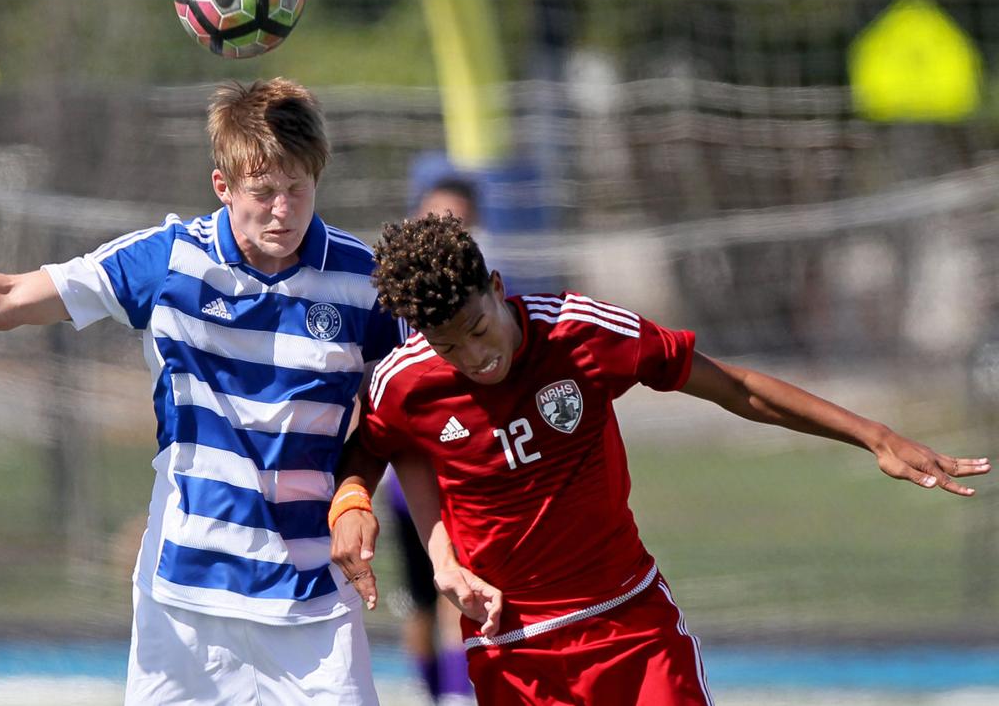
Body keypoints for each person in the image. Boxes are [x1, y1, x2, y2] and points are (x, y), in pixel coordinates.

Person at [0, 78, 412, 706]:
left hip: (312, 604)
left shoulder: (362, 282)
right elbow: (7, 299)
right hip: (185, 602)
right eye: (263, 194)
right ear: (223, 186)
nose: (283, 211)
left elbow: (407, 407)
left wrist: (357, 495)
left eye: (298, 190)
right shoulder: (169, 261)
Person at [328, 213, 991, 706]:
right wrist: (353, 499)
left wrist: (875, 434)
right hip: (510, 648)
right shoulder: (405, 380)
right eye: (452, 348)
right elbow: (373, 447)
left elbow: (734, 387)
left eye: (479, 328)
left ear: (497, 286)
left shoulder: (582, 331)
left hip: (629, 623)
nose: (476, 357)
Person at [384, 176, 480, 705]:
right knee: (417, 600)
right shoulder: (395, 301)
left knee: (455, 590)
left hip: (462, 471)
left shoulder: (480, 304)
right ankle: (431, 694)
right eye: (436, 217)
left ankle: (458, 696)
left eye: (457, 219)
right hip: (405, 482)